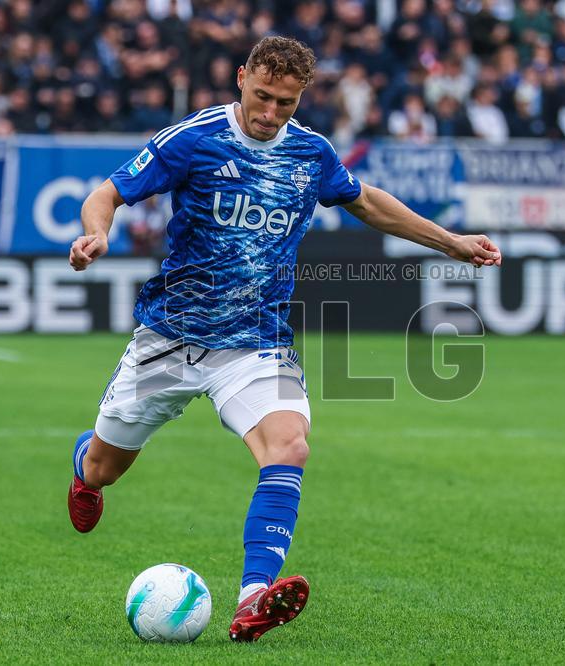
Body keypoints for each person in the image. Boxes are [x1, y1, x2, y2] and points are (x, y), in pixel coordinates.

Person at [66, 36, 502, 643]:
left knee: (290, 445)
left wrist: (450, 242)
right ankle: (83, 470)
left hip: (254, 344)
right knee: (106, 467)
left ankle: (253, 598)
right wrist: (97, 235)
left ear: (302, 98)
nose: (271, 114)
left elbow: (367, 203)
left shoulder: (310, 153)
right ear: (241, 78)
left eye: (286, 104)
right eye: (262, 97)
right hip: (168, 339)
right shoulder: (193, 139)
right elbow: (107, 193)